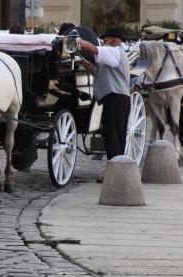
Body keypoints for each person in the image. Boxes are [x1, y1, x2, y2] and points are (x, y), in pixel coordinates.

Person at [78, 27, 131, 181]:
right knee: (114, 136)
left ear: (114, 40)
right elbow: (104, 75)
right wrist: (90, 67)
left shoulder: (114, 51)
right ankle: (117, 170)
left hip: (116, 99)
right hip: (116, 99)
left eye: (105, 40)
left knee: (113, 137)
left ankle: (115, 173)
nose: (103, 43)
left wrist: (77, 42)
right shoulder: (115, 55)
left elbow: (93, 49)